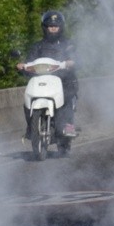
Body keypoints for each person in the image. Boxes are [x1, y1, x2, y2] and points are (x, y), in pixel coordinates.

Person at [16, 11, 78, 139]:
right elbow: (29, 61)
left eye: (56, 26)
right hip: (42, 80)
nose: (53, 28)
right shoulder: (37, 46)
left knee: (67, 98)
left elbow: (77, 58)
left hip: (64, 80)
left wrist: (71, 62)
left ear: (61, 27)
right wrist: (22, 65)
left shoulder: (68, 44)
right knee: (28, 99)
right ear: (45, 27)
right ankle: (31, 128)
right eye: (50, 26)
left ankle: (68, 127)